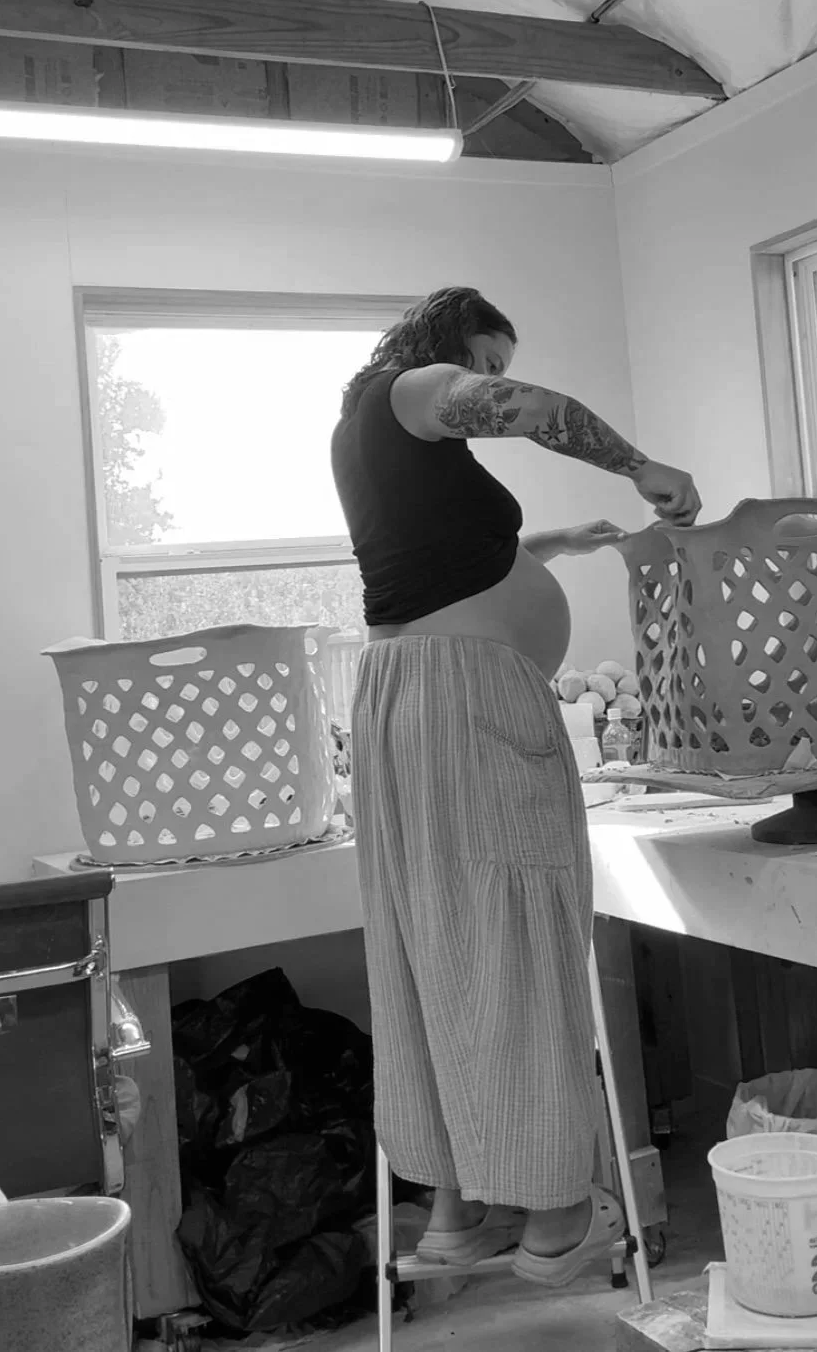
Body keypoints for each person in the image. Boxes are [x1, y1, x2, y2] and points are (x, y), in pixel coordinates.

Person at [331, 287, 700, 1287]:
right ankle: (556, 1217)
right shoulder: (415, 387)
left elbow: (428, 574)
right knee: (518, 931)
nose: (489, 385)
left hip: (405, 699)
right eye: (486, 362)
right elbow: (534, 410)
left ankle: (456, 1211)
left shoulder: (361, 431)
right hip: (468, 702)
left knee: (438, 944)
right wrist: (640, 466)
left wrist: (541, 549)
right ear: (451, 346)